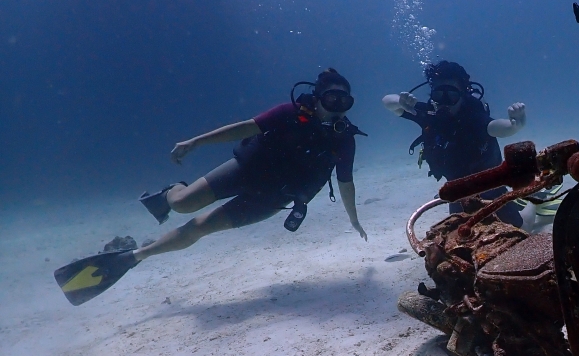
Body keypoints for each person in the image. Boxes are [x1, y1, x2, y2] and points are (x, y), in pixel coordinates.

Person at [54, 68, 368, 306]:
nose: (339, 107)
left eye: (345, 101)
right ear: (318, 97)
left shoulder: (344, 139)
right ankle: (171, 193)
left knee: (200, 226)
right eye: (332, 99)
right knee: (183, 204)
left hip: (273, 199)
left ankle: (134, 256)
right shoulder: (289, 114)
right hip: (246, 171)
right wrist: (195, 142)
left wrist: (354, 220)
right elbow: (244, 127)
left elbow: (346, 182)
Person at [382, 60, 526, 227]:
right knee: (461, 236)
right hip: (458, 192)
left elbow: (495, 127)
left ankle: (530, 208)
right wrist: (400, 101)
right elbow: (387, 101)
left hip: (491, 188)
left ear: (463, 95)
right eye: (438, 94)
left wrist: (515, 125)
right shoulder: (429, 114)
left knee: (522, 230)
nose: (444, 101)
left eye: (451, 95)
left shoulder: (473, 117)